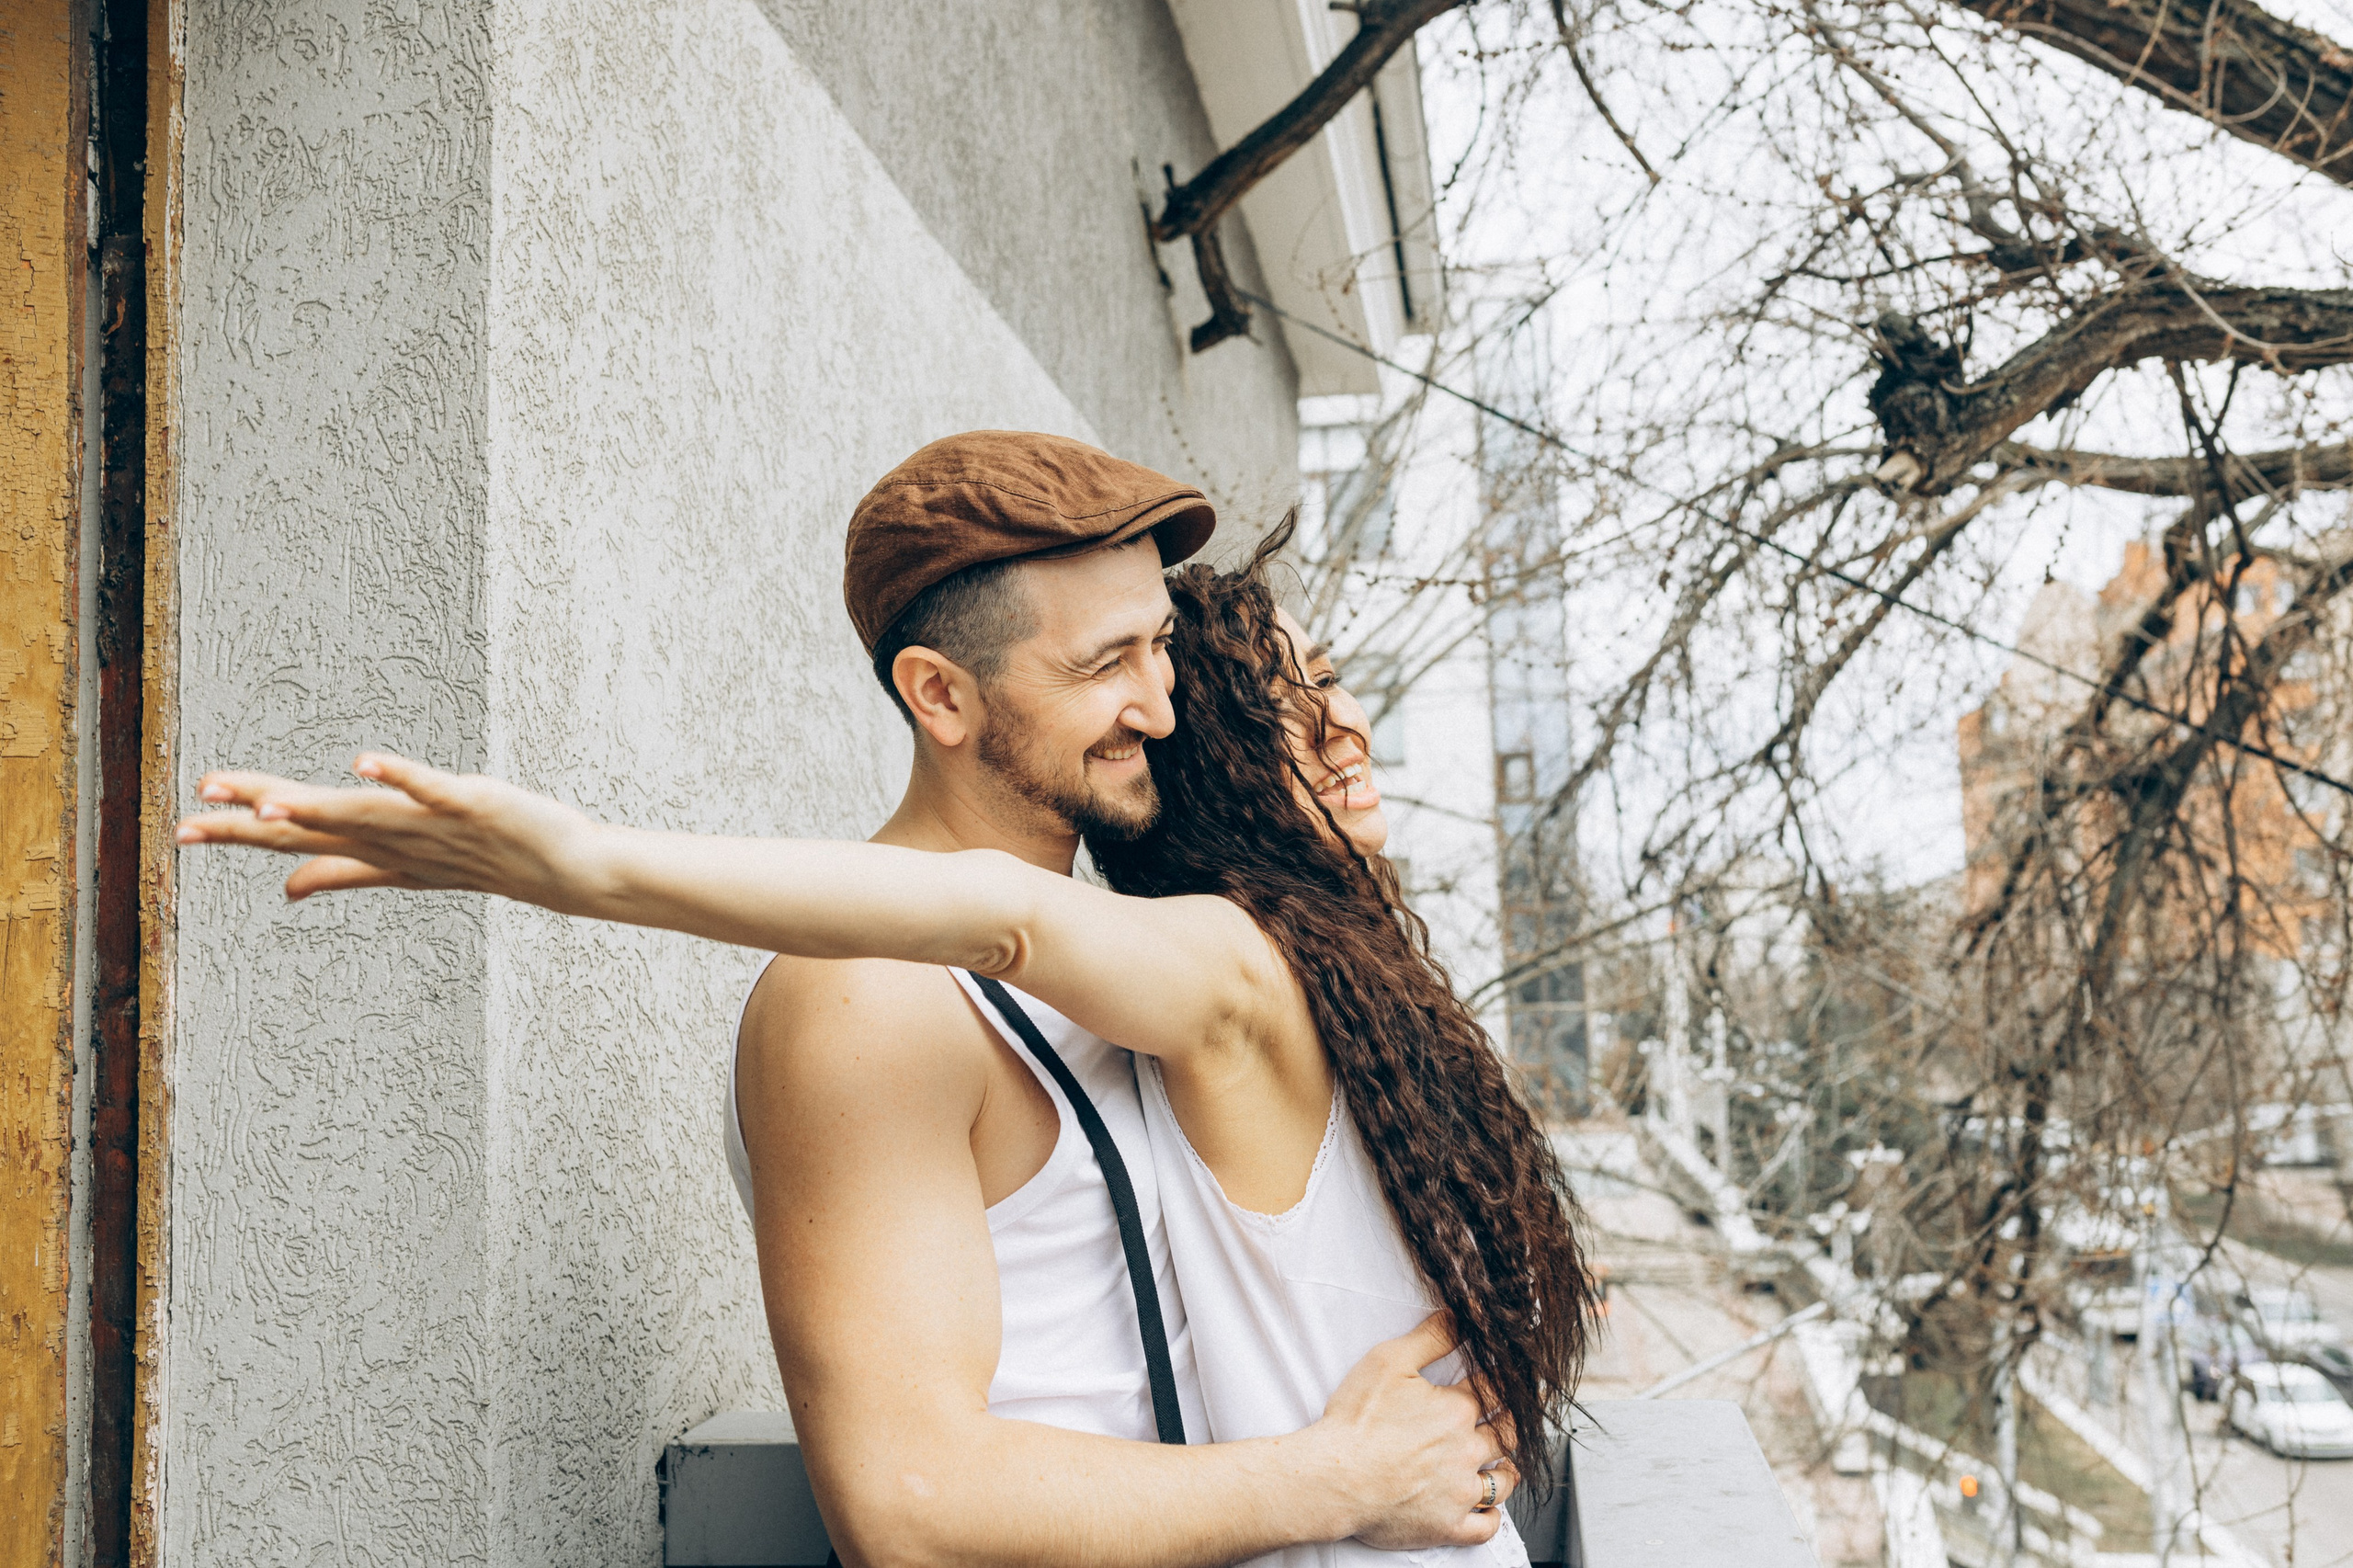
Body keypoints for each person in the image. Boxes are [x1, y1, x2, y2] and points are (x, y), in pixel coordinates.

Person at [179, 432, 1587, 1566]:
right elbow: (912, 1502)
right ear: (942, 696)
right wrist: (1331, 1477)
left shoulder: (1135, 959)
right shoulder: (867, 998)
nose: (1160, 702)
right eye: (1104, 665)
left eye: (1157, 646)